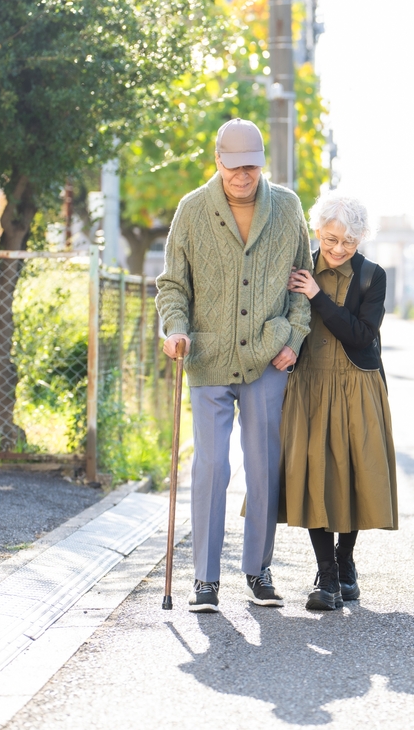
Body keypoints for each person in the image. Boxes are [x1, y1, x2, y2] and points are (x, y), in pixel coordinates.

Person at [156, 118, 314, 613]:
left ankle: (258, 569)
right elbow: (172, 285)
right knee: (210, 466)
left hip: (266, 357)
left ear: (261, 163)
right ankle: (205, 580)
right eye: (233, 166)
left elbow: (303, 284)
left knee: (264, 467)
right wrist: (175, 329)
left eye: (251, 166)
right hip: (207, 357)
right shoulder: (192, 209)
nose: (243, 176)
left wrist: (296, 337)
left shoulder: (286, 207)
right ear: (218, 161)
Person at [281, 193, 398, 610]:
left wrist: (318, 297)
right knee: (316, 476)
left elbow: (361, 334)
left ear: (361, 239)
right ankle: (326, 575)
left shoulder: (372, 276)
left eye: (348, 242)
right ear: (317, 231)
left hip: (357, 385)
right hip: (309, 384)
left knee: (353, 475)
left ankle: (346, 563)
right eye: (331, 239)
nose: (337, 249)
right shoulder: (297, 270)